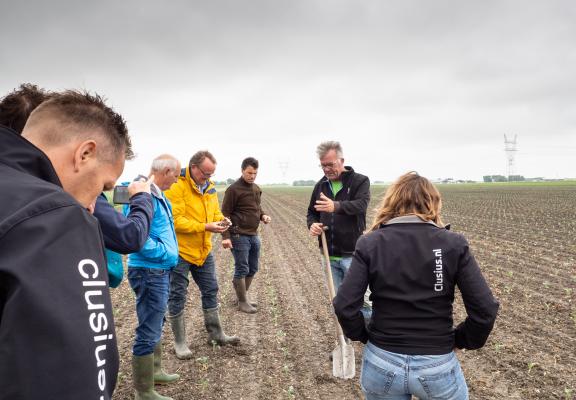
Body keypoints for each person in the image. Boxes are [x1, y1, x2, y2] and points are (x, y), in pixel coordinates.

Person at [0, 90, 132, 399]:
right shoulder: (54, 218)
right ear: (84, 153)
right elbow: (75, 379)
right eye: (103, 187)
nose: (92, 206)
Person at [333, 172, 500, 400]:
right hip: (437, 363)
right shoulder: (452, 243)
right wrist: (459, 340)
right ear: (432, 203)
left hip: (381, 361)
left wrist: (366, 335)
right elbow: (485, 310)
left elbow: (344, 305)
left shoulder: (370, 243)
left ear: (391, 202)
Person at [164, 150, 240, 360]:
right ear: (193, 167)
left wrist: (223, 221)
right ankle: (180, 342)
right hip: (181, 251)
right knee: (177, 295)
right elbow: (175, 220)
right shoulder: (176, 186)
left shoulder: (210, 188)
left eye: (211, 174)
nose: (208, 177)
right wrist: (205, 226)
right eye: (205, 173)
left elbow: (214, 212)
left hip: (203, 250)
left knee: (211, 289)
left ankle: (216, 334)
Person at [126, 155, 181, 400]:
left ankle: (155, 371)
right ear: (167, 171)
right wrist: (162, 253)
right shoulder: (139, 192)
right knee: (148, 327)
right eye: (177, 176)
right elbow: (135, 233)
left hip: (158, 269)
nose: (177, 182)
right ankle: (143, 391)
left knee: (156, 322)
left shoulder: (156, 193)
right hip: (149, 269)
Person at [306, 141, 372, 317]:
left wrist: (335, 206)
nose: (327, 169)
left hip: (353, 255)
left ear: (341, 160)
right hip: (328, 254)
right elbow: (312, 212)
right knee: (337, 302)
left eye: (330, 164)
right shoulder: (320, 185)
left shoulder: (360, 181)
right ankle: (344, 341)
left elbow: (361, 205)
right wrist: (312, 224)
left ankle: (371, 339)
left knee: (362, 301)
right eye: (323, 165)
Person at [221, 157, 271, 314]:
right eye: (249, 173)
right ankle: (243, 302)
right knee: (242, 267)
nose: (252, 176)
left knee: (253, 267)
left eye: (255, 173)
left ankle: (242, 297)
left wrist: (263, 216)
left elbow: (257, 207)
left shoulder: (256, 189)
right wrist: (225, 236)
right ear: (242, 170)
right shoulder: (233, 189)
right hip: (238, 234)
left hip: (253, 234)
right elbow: (224, 214)